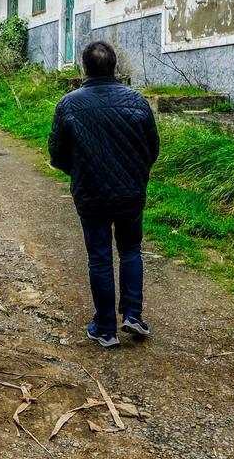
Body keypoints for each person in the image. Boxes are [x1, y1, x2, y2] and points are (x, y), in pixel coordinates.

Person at [48, 40, 160, 348]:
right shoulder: (137, 102)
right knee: (130, 250)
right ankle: (133, 314)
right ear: (114, 66)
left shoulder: (69, 104)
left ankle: (106, 327)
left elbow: (57, 155)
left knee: (99, 257)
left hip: (91, 193)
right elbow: (152, 149)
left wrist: (81, 172)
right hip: (130, 192)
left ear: (85, 68)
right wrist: (134, 173)